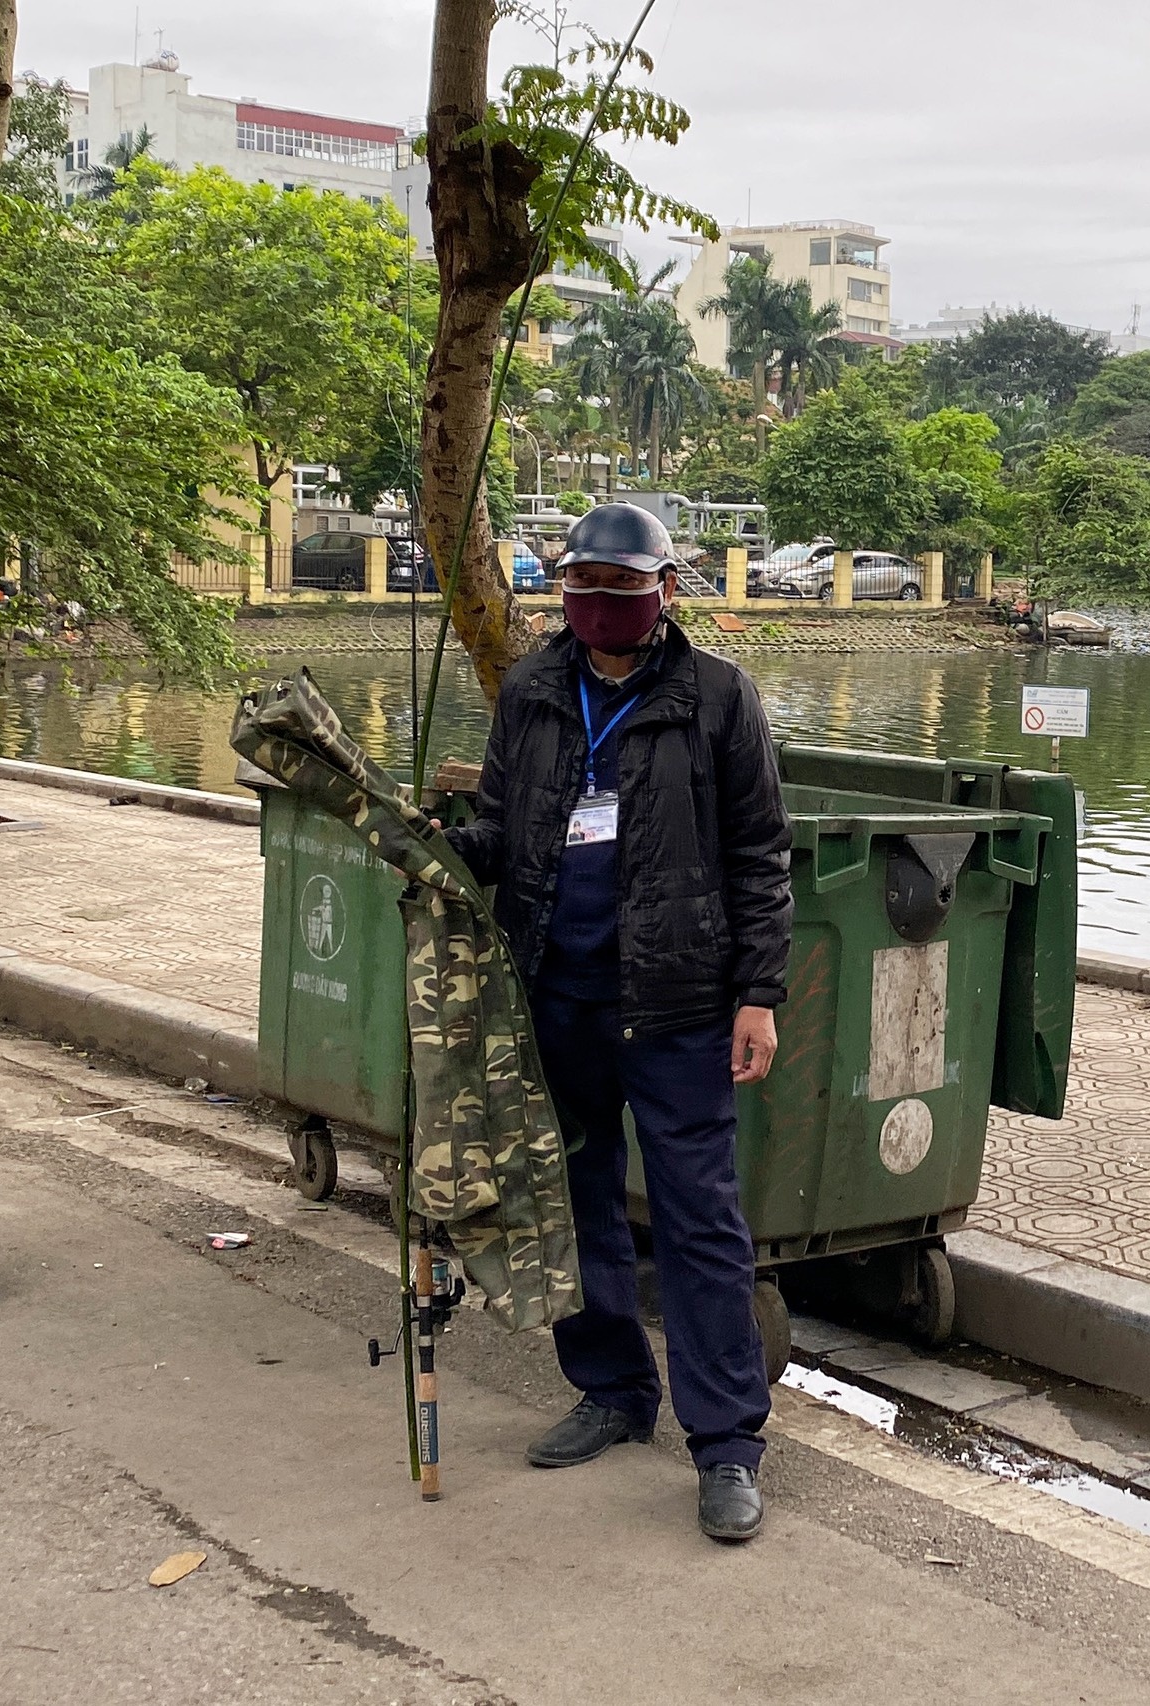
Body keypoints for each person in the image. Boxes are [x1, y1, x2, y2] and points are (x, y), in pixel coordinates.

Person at [443, 503, 791, 1543]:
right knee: (574, 1199)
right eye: (583, 585)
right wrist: (441, 845)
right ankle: (611, 1388)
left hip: (679, 1006)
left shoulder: (717, 697)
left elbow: (760, 854)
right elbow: (503, 826)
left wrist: (759, 993)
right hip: (557, 991)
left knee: (699, 1220)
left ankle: (725, 1444)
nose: (600, 603)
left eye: (623, 587)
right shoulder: (532, 691)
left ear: (666, 591)